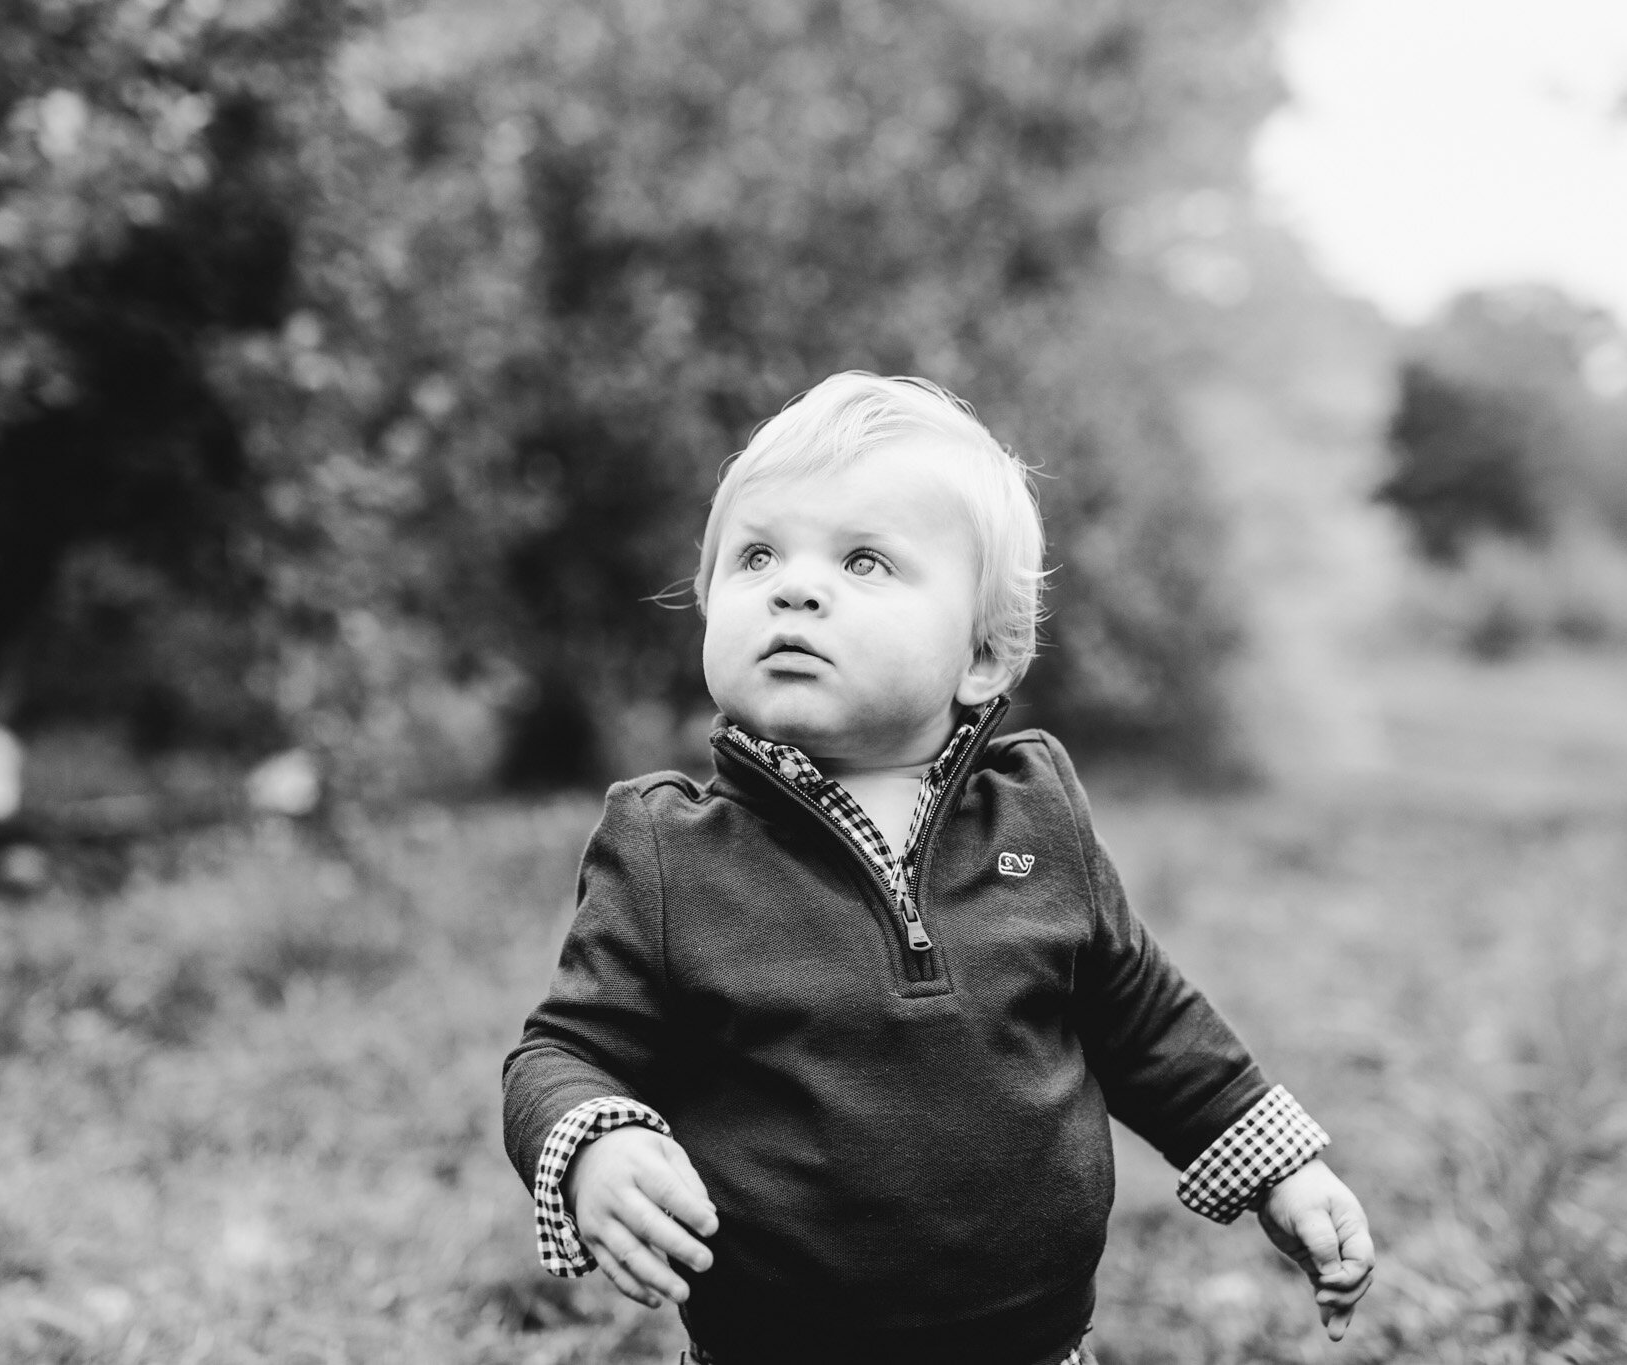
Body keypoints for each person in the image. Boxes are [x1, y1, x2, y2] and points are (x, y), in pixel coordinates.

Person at [502, 373, 1374, 1365]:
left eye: (864, 560)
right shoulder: (667, 850)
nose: (795, 585)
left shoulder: (1035, 813)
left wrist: (1279, 1169)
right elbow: (560, 1051)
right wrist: (595, 1143)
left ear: (984, 657)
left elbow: (1142, 1019)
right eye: (754, 556)